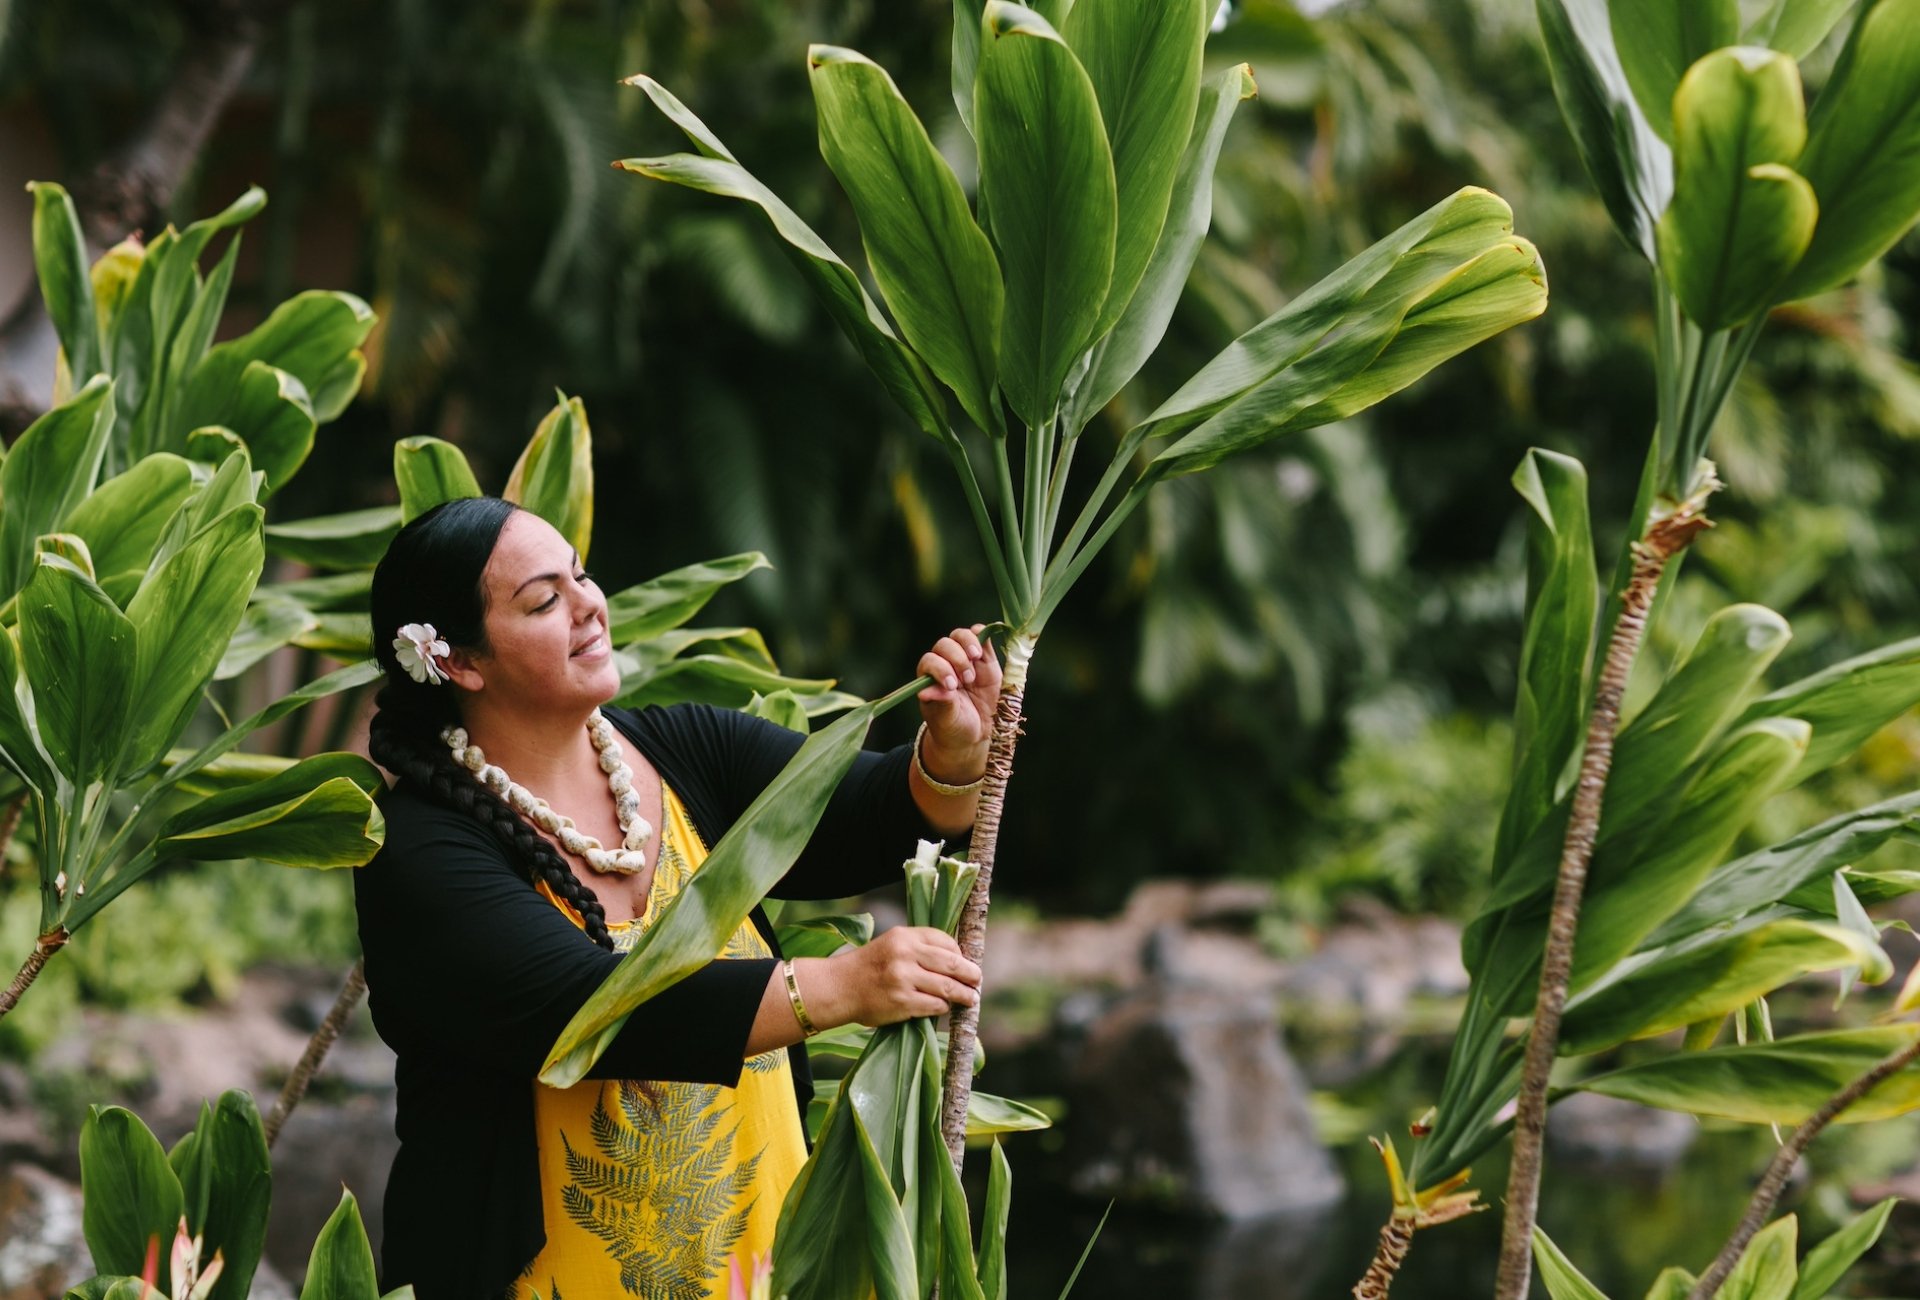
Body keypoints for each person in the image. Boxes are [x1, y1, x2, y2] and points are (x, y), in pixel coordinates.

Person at [354, 496, 997, 1300]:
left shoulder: (690, 753)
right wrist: (837, 986)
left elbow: (875, 816)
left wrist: (954, 751)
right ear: (458, 662)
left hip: (758, 1257)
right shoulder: (418, 851)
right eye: (546, 599)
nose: (589, 605)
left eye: (581, 577)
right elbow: (589, 1009)